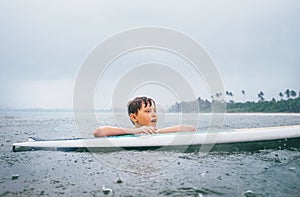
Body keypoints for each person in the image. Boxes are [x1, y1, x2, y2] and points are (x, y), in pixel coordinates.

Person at [94, 96, 196, 137]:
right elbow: (98, 132)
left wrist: (159, 132)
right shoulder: (130, 134)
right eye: (147, 111)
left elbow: (191, 129)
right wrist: (135, 131)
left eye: (154, 111)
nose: (154, 114)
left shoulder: (158, 133)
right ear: (134, 117)